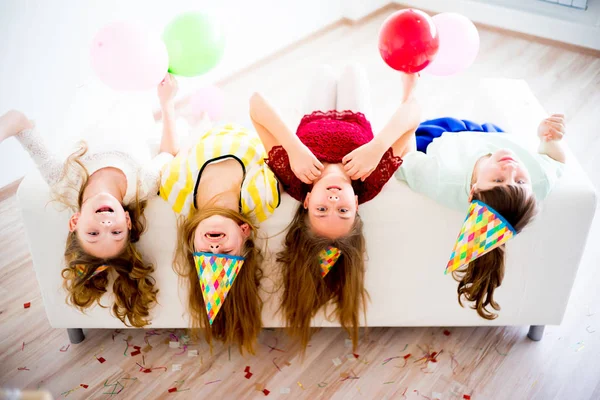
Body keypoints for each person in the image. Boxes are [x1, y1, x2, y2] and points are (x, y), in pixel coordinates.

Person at [248, 64, 420, 350]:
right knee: (355, 71)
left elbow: (255, 103)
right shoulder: (370, 179)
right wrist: (377, 148)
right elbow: (414, 111)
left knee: (324, 73)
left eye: (321, 210)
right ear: (356, 204)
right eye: (342, 211)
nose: (332, 201)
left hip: (311, 116)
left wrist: (294, 148)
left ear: (306, 202)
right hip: (357, 116)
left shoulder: (294, 177)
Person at [0, 74, 180, 326]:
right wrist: (167, 102)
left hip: (85, 83)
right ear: (127, 220)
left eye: (93, 233)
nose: (105, 225)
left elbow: (20, 122)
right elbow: (168, 153)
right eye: (116, 232)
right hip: (132, 89)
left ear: (75, 221)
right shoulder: (143, 186)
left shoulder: (63, 181)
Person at [395, 113, 566, 319]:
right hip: (493, 138)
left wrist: (408, 117)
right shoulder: (538, 182)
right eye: (520, 181)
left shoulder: (442, 178)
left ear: (473, 190)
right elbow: (556, 160)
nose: (512, 169)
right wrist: (550, 141)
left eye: (497, 179)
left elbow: (405, 160)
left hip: (446, 137)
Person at [159, 78, 280, 354]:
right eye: (225, 253)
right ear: (245, 232)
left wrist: (166, 104)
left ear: (192, 241)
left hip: (202, 137)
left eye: (206, 255)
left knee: (199, 123)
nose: (215, 248)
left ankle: (201, 116)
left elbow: (169, 154)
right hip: (247, 126)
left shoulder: (176, 191)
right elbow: (273, 143)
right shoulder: (260, 197)